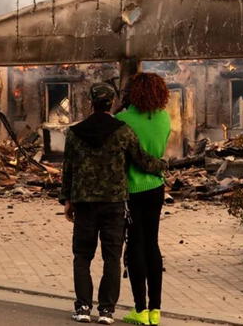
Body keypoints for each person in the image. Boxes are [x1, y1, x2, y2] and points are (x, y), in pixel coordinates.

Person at [59, 82, 167, 325]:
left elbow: (68, 170)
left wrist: (67, 200)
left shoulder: (75, 133)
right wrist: (164, 165)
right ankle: (106, 311)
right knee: (111, 257)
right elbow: (142, 161)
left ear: (91, 103)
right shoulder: (123, 130)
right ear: (111, 103)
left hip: (84, 203)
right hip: (115, 203)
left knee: (82, 256)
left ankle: (83, 307)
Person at [115, 73, 171, 326]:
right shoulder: (164, 118)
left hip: (132, 190)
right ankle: (156, 310)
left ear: (133, 93)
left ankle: (140, 310)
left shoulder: (122, 120)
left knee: (135, 246)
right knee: (153, 245)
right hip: (156, 188)